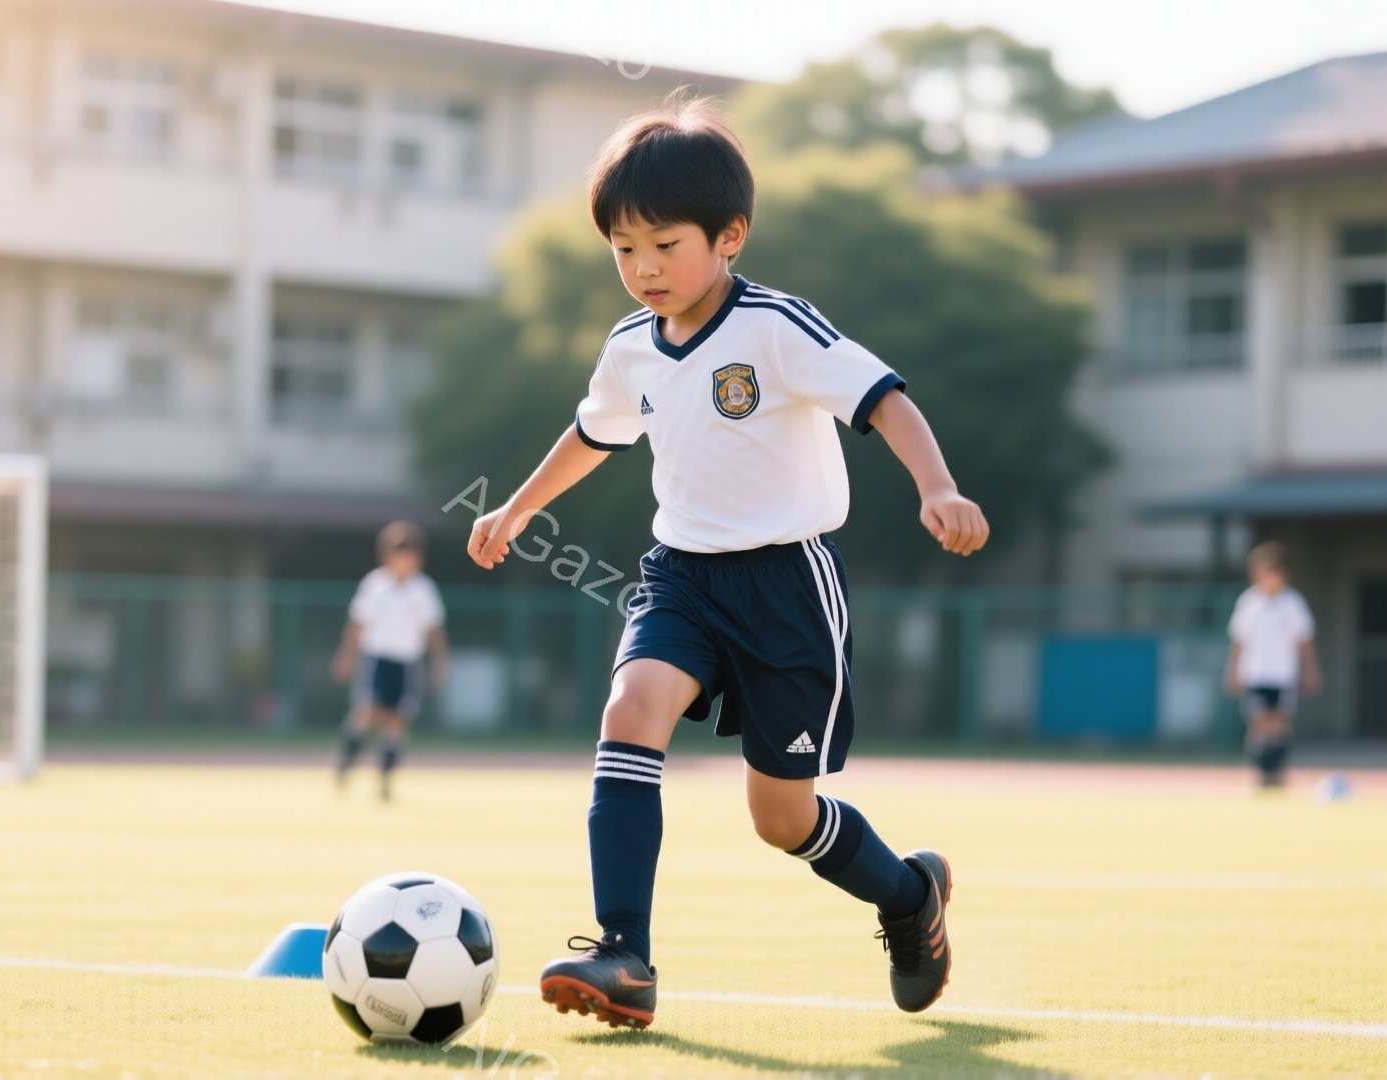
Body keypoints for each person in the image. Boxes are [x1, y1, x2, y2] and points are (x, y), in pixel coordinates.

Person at [465, 97, 989, 1029]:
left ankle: (910, 897)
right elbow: (593, 434)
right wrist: (516, 507)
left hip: (787, 586)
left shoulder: (777, 327)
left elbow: (883, 399)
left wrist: (938, 488)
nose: (644, 269)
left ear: (730, 235)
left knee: (781, 819)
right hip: (681, 575)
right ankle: (625, 953)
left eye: (664, 244)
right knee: (630, 710)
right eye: (624, 250)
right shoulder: (631, 348)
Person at [332, 521, 447, 802]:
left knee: (398, 719)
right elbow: (357, 625)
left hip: (406, 661)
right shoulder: (375, 585)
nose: (403, 560)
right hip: (377, 658)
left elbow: (433, 630)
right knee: (368, 710)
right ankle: (347, 759)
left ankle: (385, 779)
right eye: (397, 552)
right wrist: (346, 656)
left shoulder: (423, 590)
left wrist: (439, 662)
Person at [1224, 541, 1320, 789]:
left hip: (1282, 674)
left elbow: (1304, 640)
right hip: (1256, 674)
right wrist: (1232, 671)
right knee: (1259, 722)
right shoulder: (1249, 603)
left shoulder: (1293, 603)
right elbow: (1239, 641)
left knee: (1280, 722)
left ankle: (1278, 771)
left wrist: (1311, 670)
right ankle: (1261, 771)